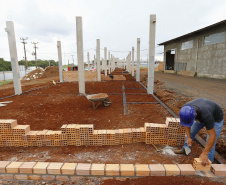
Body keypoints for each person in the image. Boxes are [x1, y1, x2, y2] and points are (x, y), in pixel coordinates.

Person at [174, 98, 224, 165]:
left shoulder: (206, 115)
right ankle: (185, 150)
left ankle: (207, 163)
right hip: (202, 114)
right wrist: (189, 137)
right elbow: (187, 123)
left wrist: (204, 153)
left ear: (195, 114)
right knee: (191, 132)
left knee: (210, 142)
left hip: (215, 119)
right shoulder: (186, 110)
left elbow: (212, 136)